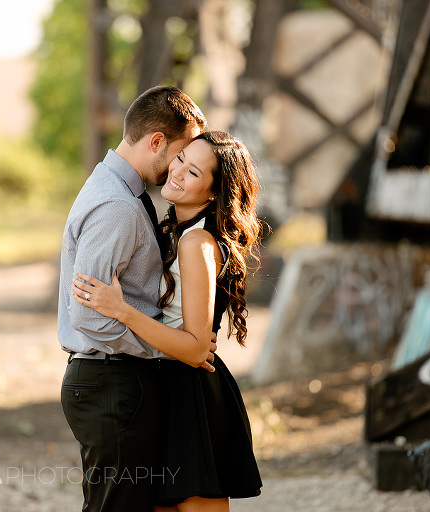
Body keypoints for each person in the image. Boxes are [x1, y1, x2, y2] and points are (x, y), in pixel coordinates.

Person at [72, 131, 264, 511]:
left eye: (193, 172)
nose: (176, 172)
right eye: (180, 159)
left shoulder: (196, 244)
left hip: (192, 393)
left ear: (213, 193)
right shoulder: (173, 231)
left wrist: (121, 309)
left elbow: (195, 348)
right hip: (165, 386)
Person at [58, 85, 209, 512]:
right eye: (181, 153)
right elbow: (89, 315)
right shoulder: (116, 206)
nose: (180, 166)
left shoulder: (120, 191)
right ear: (157, 141)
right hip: (112, 382)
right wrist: (169, 346)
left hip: (115, 382)